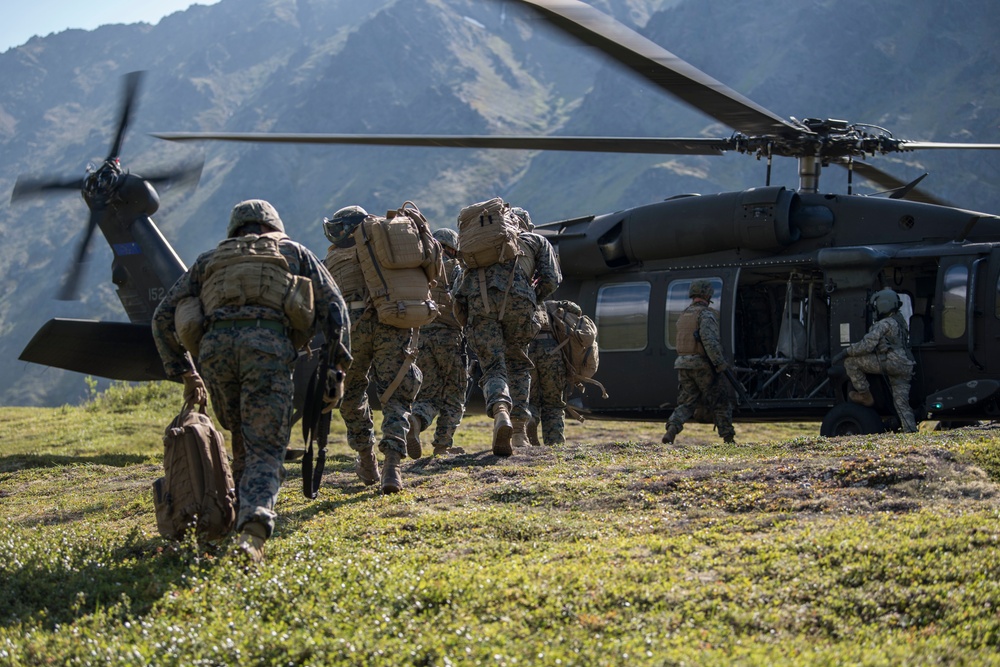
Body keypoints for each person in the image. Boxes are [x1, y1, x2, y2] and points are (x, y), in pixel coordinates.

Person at [152, 199, 350, 563]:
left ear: (234, 229)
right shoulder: (294, 253)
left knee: (243, 438)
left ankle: (233, 521)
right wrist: (337, 369)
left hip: (214, 355)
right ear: (273, 226)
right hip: (267, 350)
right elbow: (335, 310)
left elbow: (162, 317)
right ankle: (253, 535)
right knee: (266, 451)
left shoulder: (209, 261)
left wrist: (185, 372)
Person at [322, 205, 422, 493]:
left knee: (350, 393)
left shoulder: (333, 258)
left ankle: (366, 459)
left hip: (351, 328)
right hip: (390, 319)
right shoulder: (387, 250)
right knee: (397, 394)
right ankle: (392, 466)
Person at [455, 203, 561, 455]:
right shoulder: (536, 241)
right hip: (519, 304)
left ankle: (501, 410)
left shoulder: (479, 245)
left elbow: (459, 287)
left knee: (492, 367)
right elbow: (552, 279)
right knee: (517, 364)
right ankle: (518, 432)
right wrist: (532, 298)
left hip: (479, 304)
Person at [407, 227, 468, 456]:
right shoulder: (456, 269)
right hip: (449, 339)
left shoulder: (421, 271)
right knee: (455, 394)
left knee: (428, 394)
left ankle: (416, 420)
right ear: (453, 249)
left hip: (421, 338)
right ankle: (442, 446)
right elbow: (465, 299)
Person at [662, 279, 736, 444]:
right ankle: (728, 438)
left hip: (682, 364)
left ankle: (672, 429)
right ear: (706, 294)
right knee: (720, 401)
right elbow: (710, 341)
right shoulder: (706, 314)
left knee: (687, 402)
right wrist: (719, 363)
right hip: (702, 365)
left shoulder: (684, 315)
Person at [833, 288, 917, 432]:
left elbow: (866, 346)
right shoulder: (900, 321)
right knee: (901, 403)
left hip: (892, 362)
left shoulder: (883, 324)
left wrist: (845, 352)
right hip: (906, 365)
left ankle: (865, 395)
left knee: (851, 363)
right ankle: (910, 430)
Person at [526, 299, 581, 447]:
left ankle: (529, 419)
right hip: (551, 351)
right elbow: (577, 311)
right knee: (554, 403)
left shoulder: (520, 301)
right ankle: (554, 444)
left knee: (530, 399)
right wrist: (562, 304)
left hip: (526, 351)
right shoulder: (550, 305)